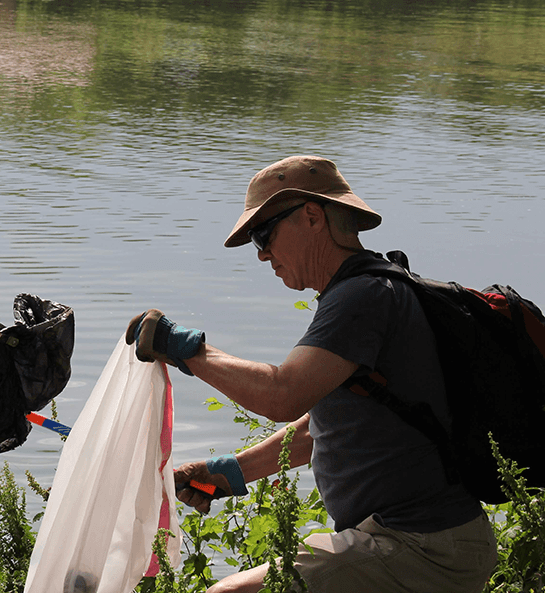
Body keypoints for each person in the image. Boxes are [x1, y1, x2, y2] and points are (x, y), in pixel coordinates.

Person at [125, 156, 497, 592]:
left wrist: (186, 349)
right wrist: (228, 472)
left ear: (312, 215)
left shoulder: (362, 297)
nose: (262, 253)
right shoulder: (367, 289)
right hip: (421, 541)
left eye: (264, 234)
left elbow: (282, 396)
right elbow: (322, 426)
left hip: (421, 547)